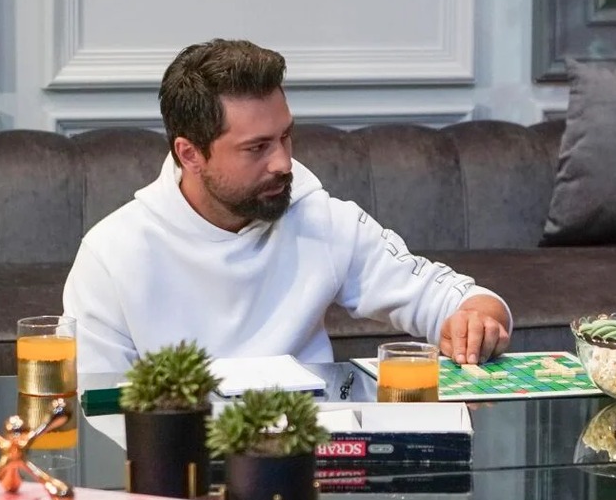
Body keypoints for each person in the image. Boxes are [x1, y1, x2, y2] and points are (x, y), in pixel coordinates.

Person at [63, 39, 511, 375]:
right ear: (190, 154)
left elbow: (457, 299)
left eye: (285, 136)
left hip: (312, 454)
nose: (283, 163)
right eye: (256, 147)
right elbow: (96, 411)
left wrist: (476, 320)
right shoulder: (111, 255)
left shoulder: (320, 218)